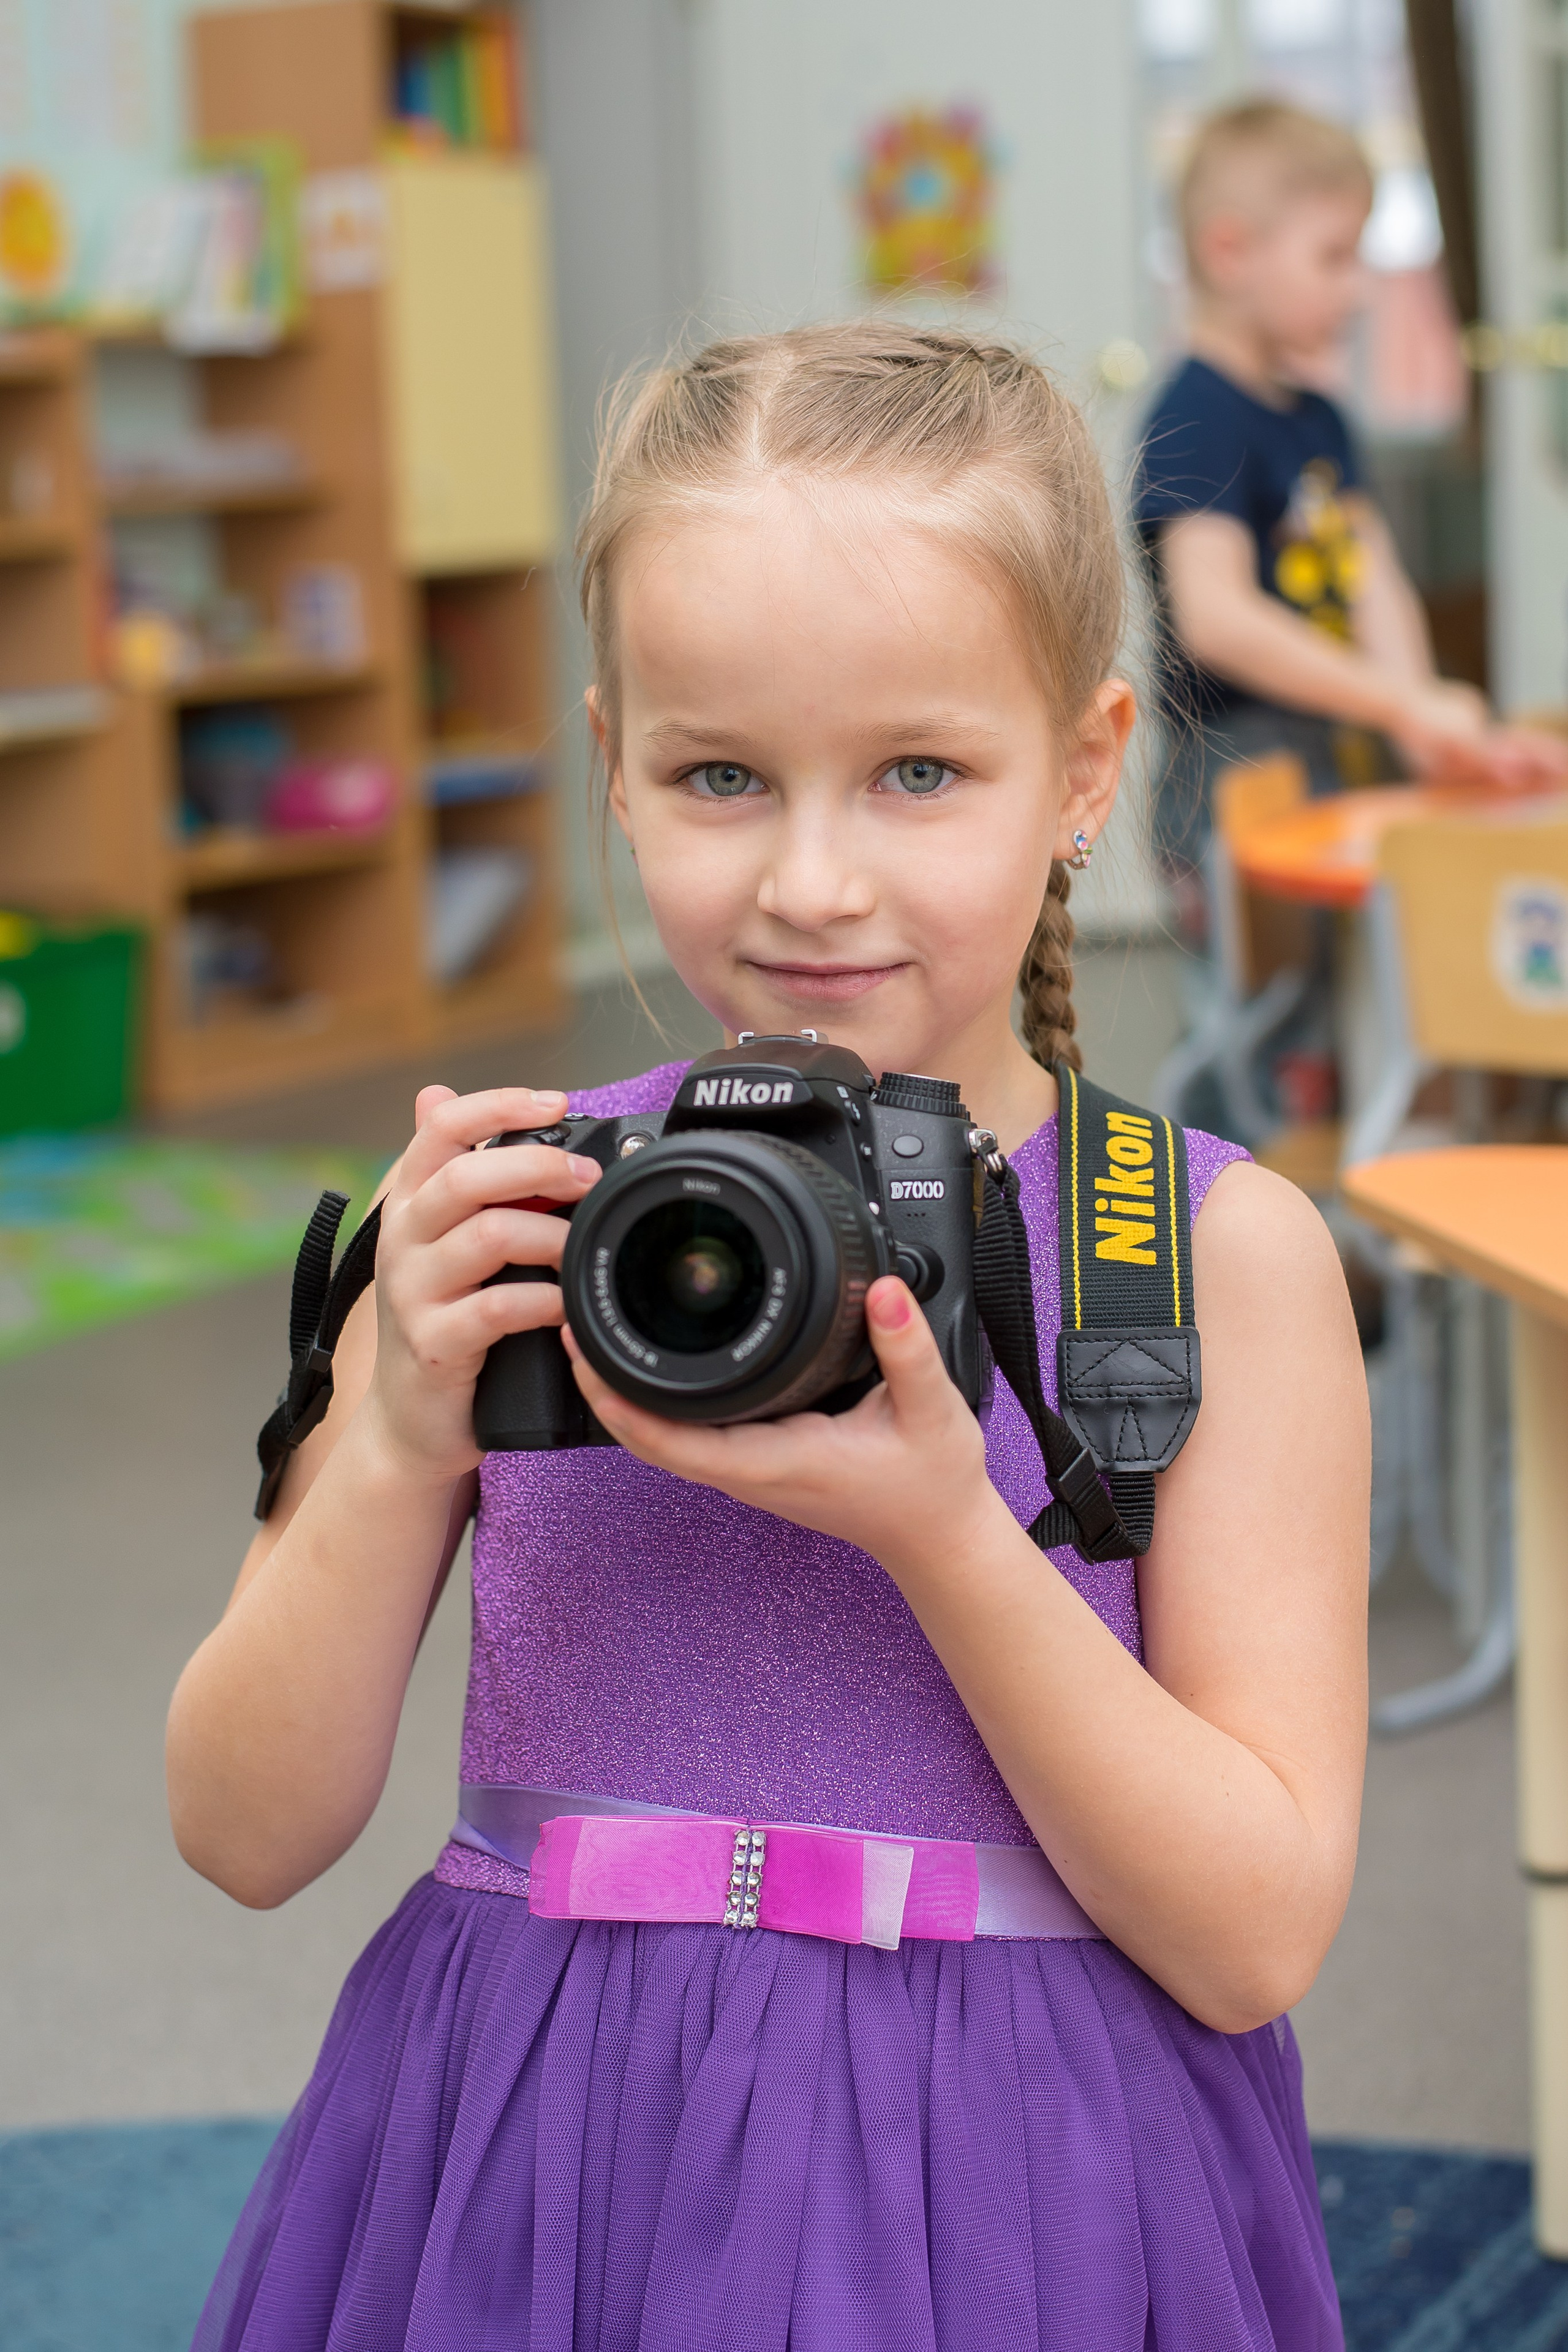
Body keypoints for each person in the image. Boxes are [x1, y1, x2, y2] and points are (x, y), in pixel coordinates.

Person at [169, 325, 1369, 2351]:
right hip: (536, 2170)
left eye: (919, 772)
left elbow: (1251, 1938)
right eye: (719, 775)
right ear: (612, 761)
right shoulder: (503, 1216)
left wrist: (947, 1533)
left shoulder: (1201, 1258)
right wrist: (387, 1439)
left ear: (1083, 772)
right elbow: (244, 1830)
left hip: (1021, 2196)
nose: (814, 883)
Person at [1135, 99, 1567, 940]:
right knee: (1267, 1038)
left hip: (1334, 749)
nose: (1360, 288)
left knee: (1343, 1012)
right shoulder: (1195, 415)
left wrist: (1427, 712)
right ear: (1231, 251)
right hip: (1233, 774)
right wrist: (1401, 707)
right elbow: (1214, 619)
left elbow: (1376, 584)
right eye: (1334, 257)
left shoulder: (1321, 419)